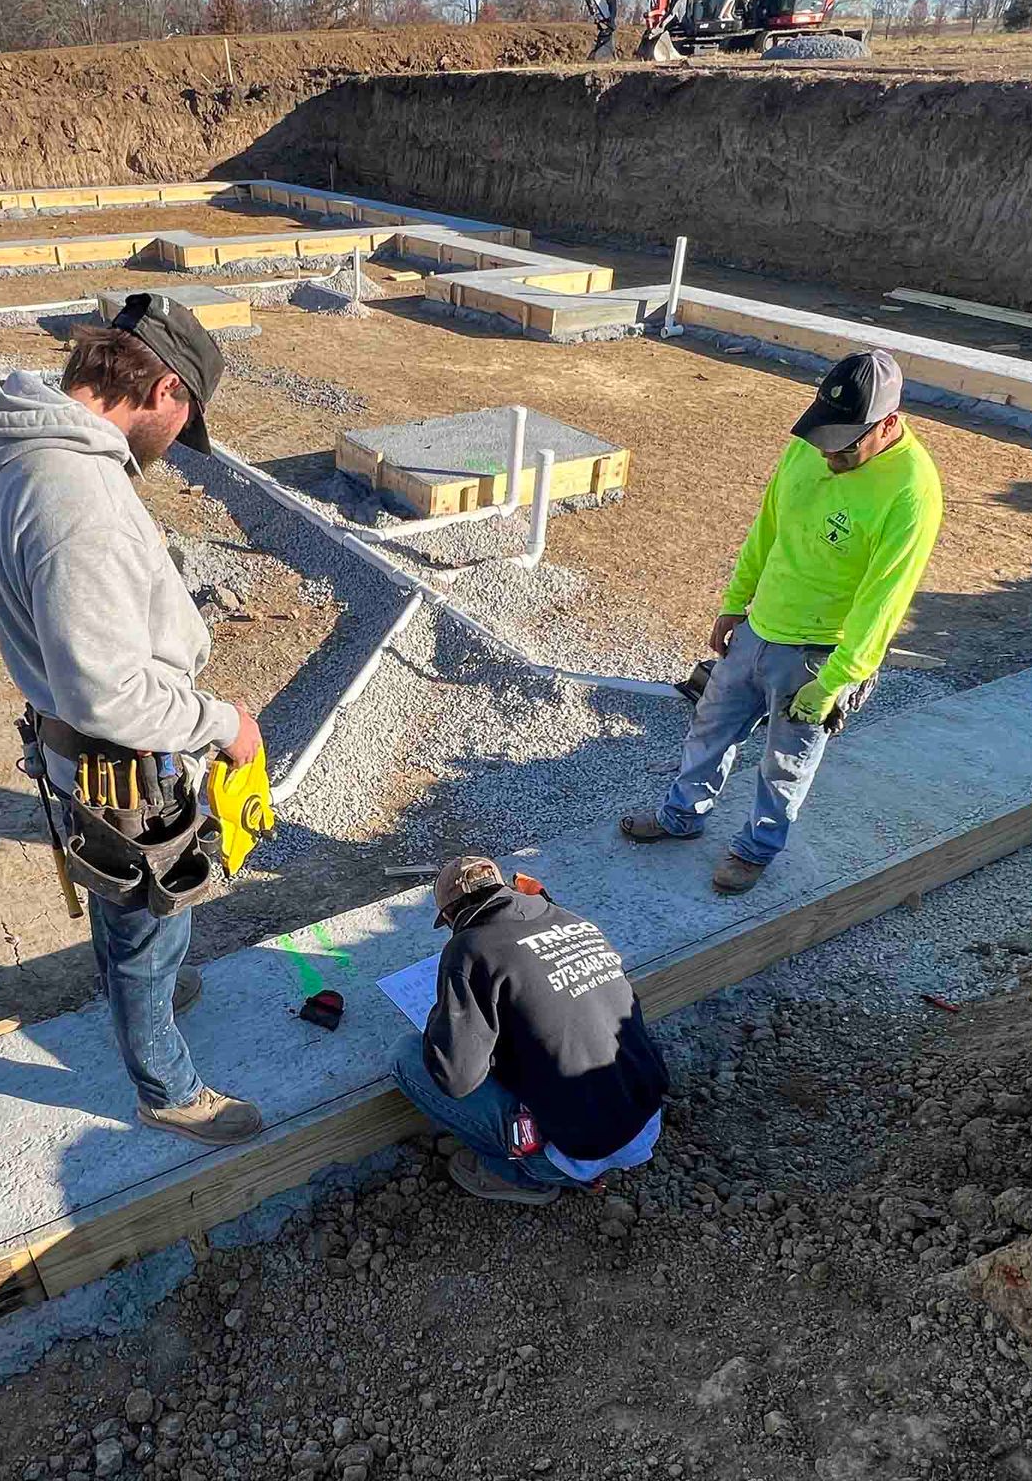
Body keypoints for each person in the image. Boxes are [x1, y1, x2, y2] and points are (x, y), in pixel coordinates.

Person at [0, 292, 265, 1146]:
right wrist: (224, 723)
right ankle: (168, 1089)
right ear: (163, 394)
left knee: (126, 905)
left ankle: (142, 993)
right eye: (180, 425)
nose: (168, 453)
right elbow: (109, 693)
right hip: (122, 753)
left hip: (64, 740)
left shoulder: (2, 440)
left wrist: (38, 639)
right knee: (153, 910)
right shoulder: (82, 495)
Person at [620, 349, 943, 895]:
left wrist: (836, 682)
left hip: (818, 654)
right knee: (710, 728)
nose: (827, 457)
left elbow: (884, 602)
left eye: (843, 447)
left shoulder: (911, 491)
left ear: (887, 425)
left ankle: (754, 849)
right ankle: (682, 817)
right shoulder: (811, 446)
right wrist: (735, 602)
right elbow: (767, 527)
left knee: (785, 763)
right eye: (821, 440)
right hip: (759, 628)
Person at [391, 856, 669, 1206]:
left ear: (449, 917)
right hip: (646, 1116)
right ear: (505, 888)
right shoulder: (573, 921)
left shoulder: (469, 949)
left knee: (405, 1056)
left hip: (579, 1153)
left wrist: (450, 1006)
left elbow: (455, 1078)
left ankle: (519, 1174)